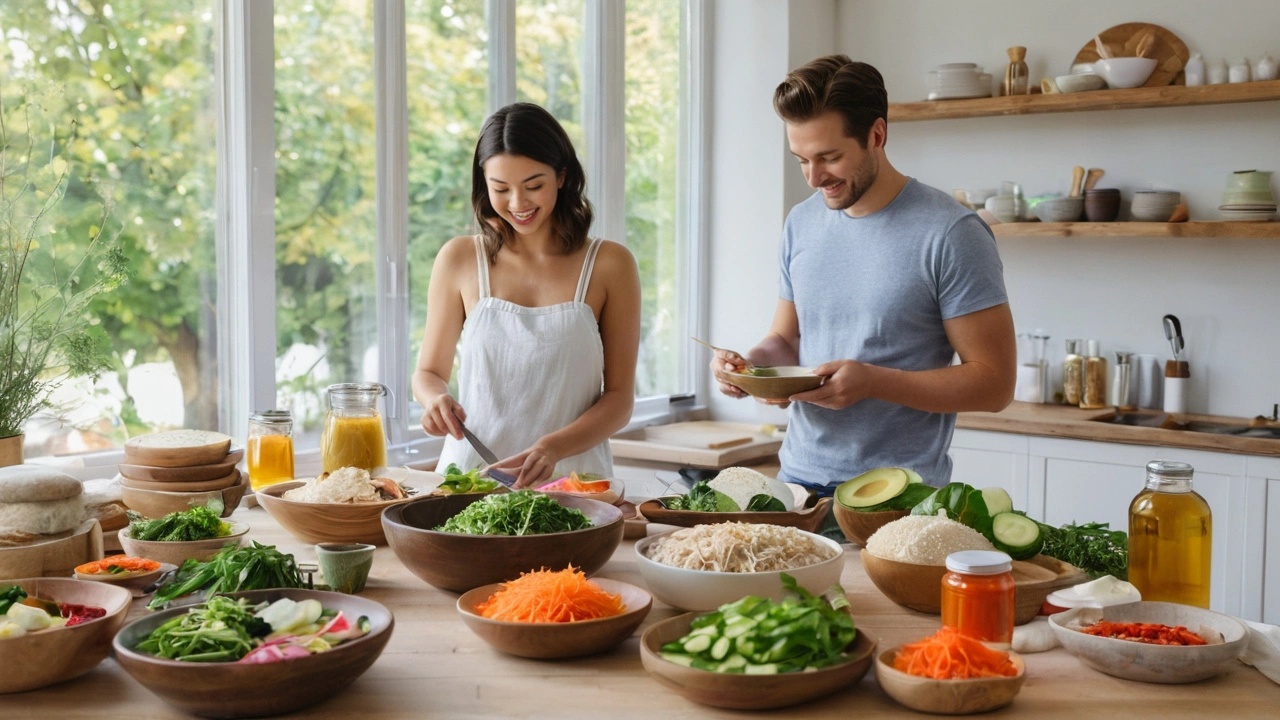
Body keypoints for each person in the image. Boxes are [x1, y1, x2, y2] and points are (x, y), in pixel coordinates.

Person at [712, 55, 1015, 494]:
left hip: (898, 496)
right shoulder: (802, 222)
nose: (814, 178)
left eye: (829, 157)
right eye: (801, 159)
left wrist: (874, 382)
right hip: (796, 485)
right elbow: (786, 339)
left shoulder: (951, 233)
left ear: (877, 134)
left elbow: (994, 384)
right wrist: (753, 366)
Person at [413, 102, 641, 488]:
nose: (518, 204)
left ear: (562, 177)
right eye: (500, 189)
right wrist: (434, 400)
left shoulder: (610, 265)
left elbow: (619, 400)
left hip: (573, 480)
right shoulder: (460, 259)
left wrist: (552, 447)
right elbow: (428, 373)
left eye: (534, 185)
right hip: (471, 478)